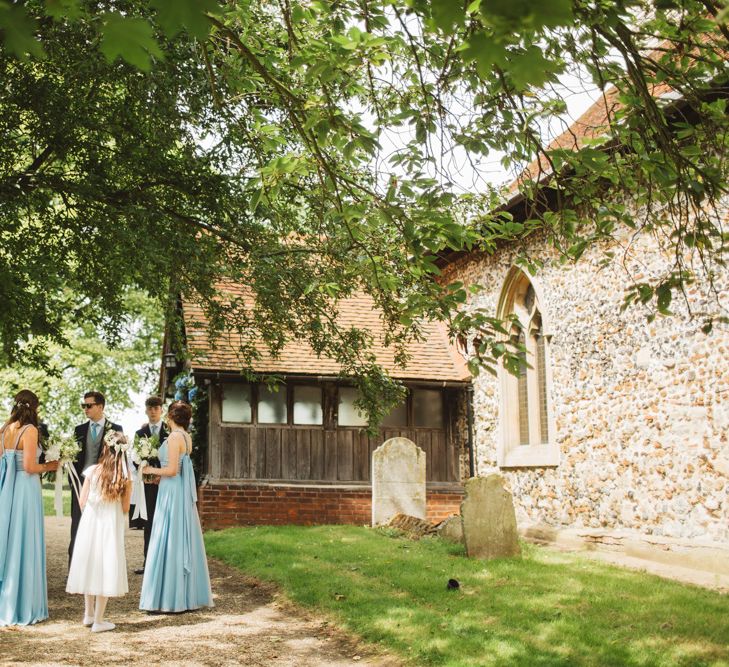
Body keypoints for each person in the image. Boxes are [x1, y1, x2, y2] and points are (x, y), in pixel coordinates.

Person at [139, 401, 213, 612]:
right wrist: (159, 477)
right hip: (176, 490)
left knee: (167, 536)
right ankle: (184, 594)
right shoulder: (186, 437)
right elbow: (179, 468)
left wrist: (149, 470)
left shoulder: (173, 437)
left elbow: (172, 470)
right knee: (178, 536)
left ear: (169, 417)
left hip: (171, 493)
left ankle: (166, 597)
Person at [0, 390, 60, 626]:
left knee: (9, 538)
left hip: (7, 490)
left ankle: (6, 603)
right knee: (24, 540)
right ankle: (24, 605)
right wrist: (52, 465)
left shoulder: (4, 429)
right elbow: (29, 467)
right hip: (25, 490)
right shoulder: (30, 430)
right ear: (34, 408)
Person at [66, 433, 133, 632]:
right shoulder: (125, 477)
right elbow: (126, 507)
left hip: (90, 524)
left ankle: (88, 614)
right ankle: (98, 620)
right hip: (109, 526)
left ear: (105, 449)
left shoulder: (92, 470)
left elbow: (82, 501)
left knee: (91, 564)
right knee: (105, 566)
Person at [69, 391, 123, 564]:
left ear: (100, 406)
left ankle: (99, 568)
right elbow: (73, 459)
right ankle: (75, 568)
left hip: (104, 486)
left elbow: (118, 462)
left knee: (101, 529)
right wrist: (73, 482)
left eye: (89, 405)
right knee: (77, 525)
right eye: (83, 405)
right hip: (80, 485)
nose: (86, 409)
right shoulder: (79, 430)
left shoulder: (116, 429)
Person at [133, 396, 169, 575]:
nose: (153, 411)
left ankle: (165, 563)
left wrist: (161, 474)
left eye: (156, 408)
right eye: (150, 408)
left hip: (168, 483)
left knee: (166, 522)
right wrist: (147, 473)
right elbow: (135, 458)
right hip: (148, 485)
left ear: (161, 410)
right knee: (149, 523)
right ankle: (148, 563)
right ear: (146, 410)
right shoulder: (140, 433)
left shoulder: (170, 431)